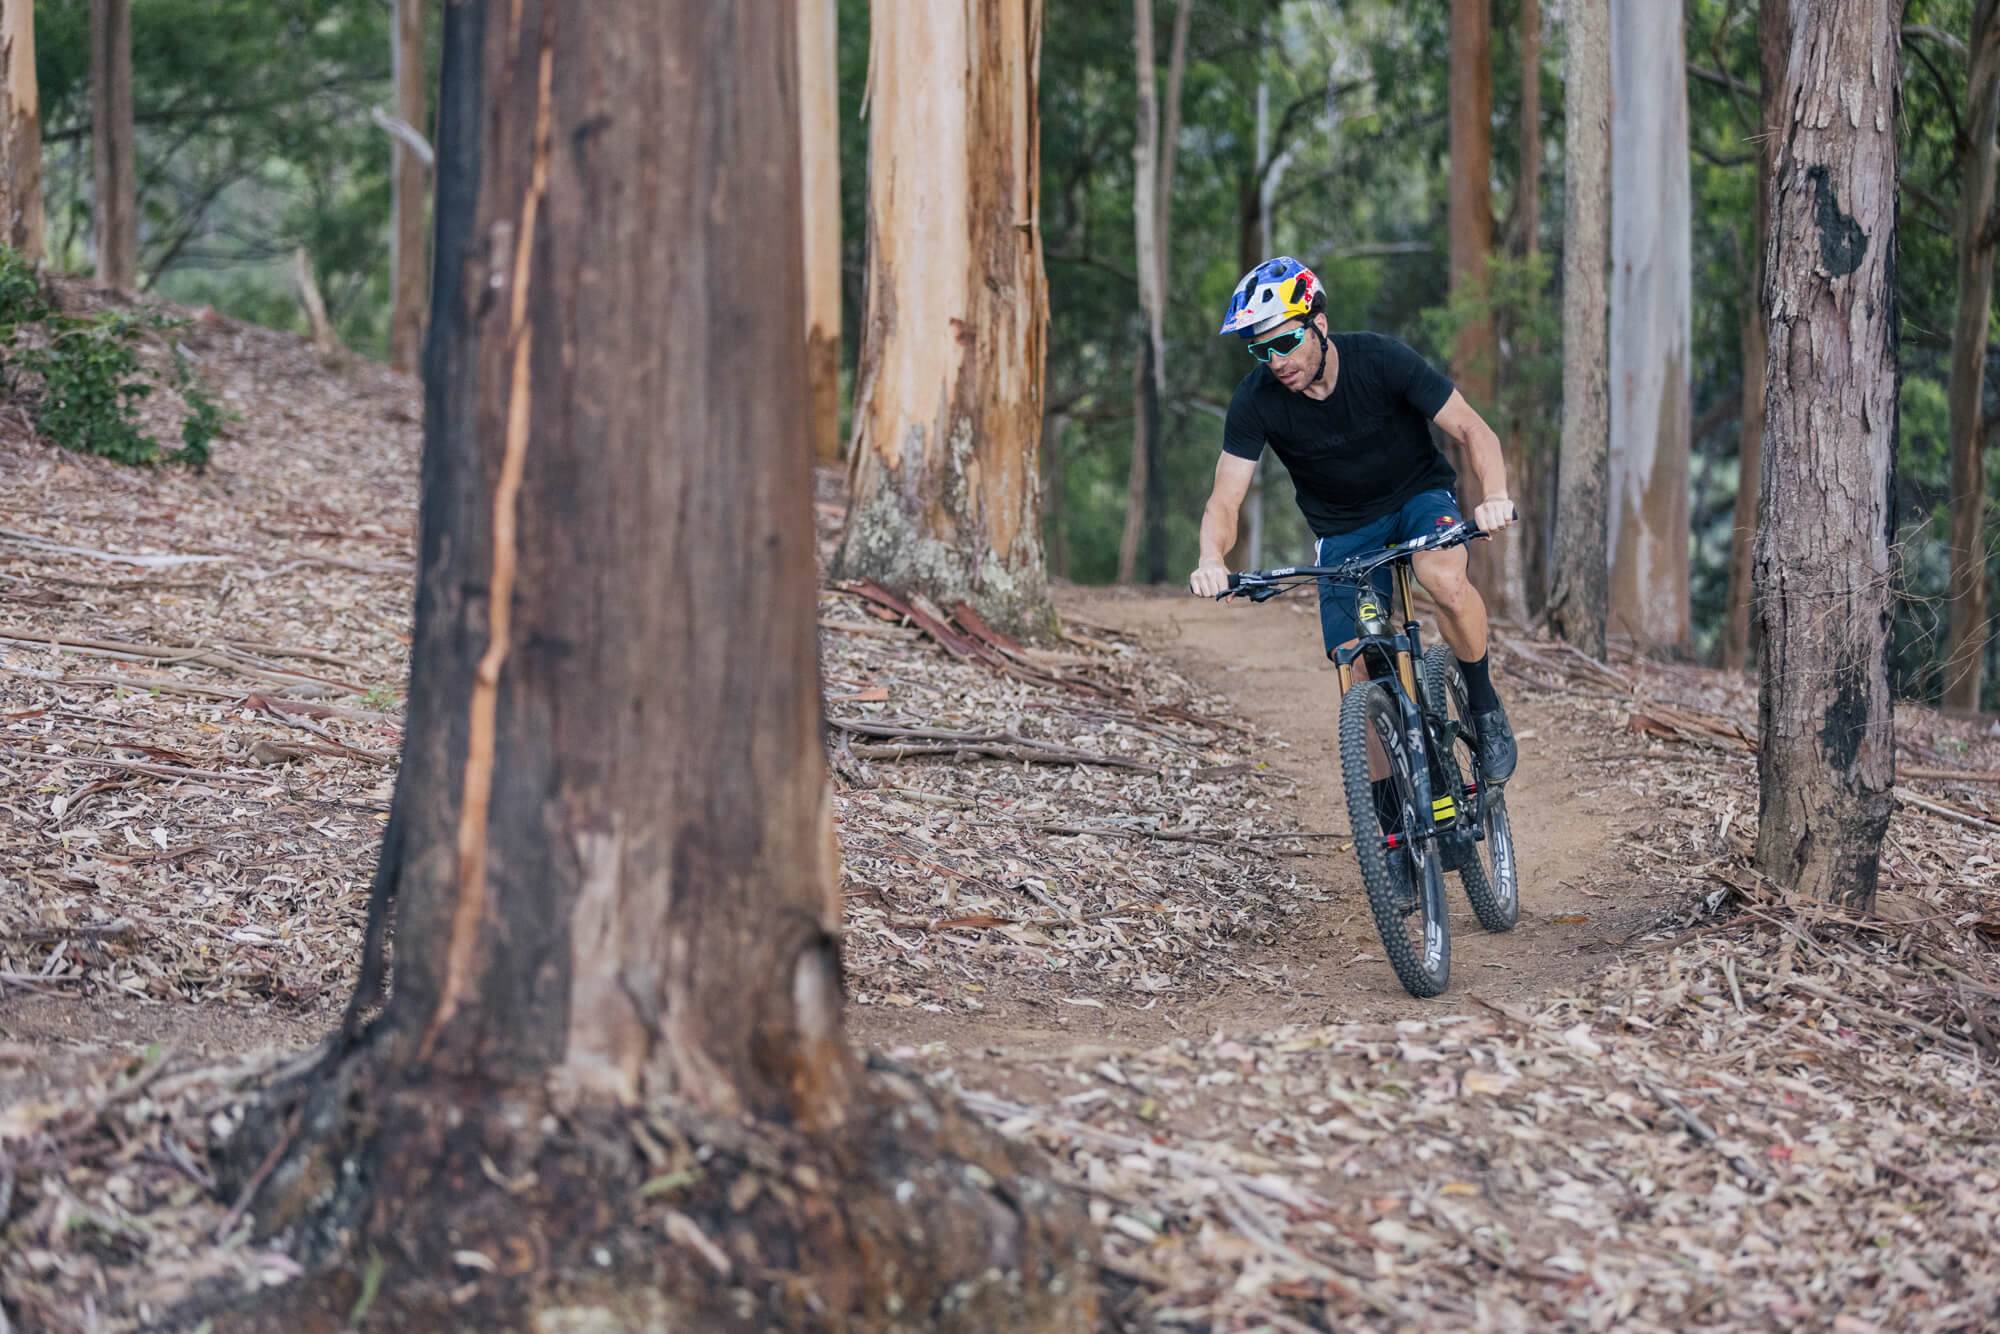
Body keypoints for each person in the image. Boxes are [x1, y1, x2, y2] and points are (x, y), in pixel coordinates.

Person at [1188, 255, 1519, 785]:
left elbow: (1475, 431)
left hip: (1419, 498)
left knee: (1443, 579)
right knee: (1354, 666)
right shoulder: (1255, 399)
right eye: (1260, 349)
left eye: (1284, 341)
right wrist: (1211, 559)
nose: (1275, 361)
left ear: (1318, 323)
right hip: (1344, 530)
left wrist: (1495, 495)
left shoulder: (1381, 359)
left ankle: (1483, 707)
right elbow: (1224, 500)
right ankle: (1389, 822)